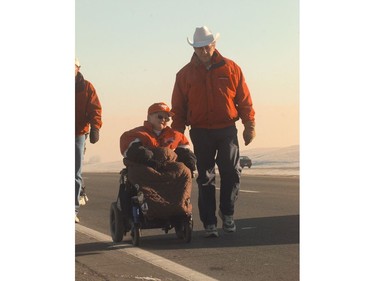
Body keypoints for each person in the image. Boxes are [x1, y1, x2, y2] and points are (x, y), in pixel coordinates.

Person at [171, 26, 256, 237]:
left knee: (231, 171)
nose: (203, 51)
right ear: (194, 48)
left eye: (206, 47)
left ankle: (227, 213)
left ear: (214, 45)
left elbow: (244, 99)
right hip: (200, 131)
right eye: (198, 48)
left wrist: (249, 124)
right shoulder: (184, 75)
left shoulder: (231, 68)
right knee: (205, 177)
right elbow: (178, 108)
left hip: (226, 129)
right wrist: (176, 137)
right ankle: (209, 223)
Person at [120, 102, 196, 173]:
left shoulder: (177, 136)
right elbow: (133, 151)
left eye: (167, 118)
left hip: (169, 173)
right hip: (146, 170)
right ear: (149, 117)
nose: (163, 120)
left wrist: (190, 165)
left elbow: (186, 154)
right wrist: (151, 161)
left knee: (184, 172)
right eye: (160, 117)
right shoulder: (135, 134)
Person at [75, 58, 102, 223]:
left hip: (78, 133)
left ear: (78, 68)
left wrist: (95, 128)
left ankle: (72, 209)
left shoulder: (86, 87)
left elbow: (95, 108)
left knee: (74, 172)